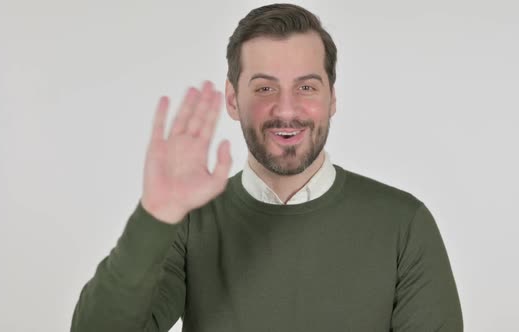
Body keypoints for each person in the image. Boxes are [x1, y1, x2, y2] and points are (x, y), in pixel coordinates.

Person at [71, 3, 463, 331]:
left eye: (306, 87)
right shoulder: (190, 222)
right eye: (264, 88)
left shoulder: (404, 224)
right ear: (232, 99)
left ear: (332, 99)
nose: (287, 109)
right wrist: (155, 217)